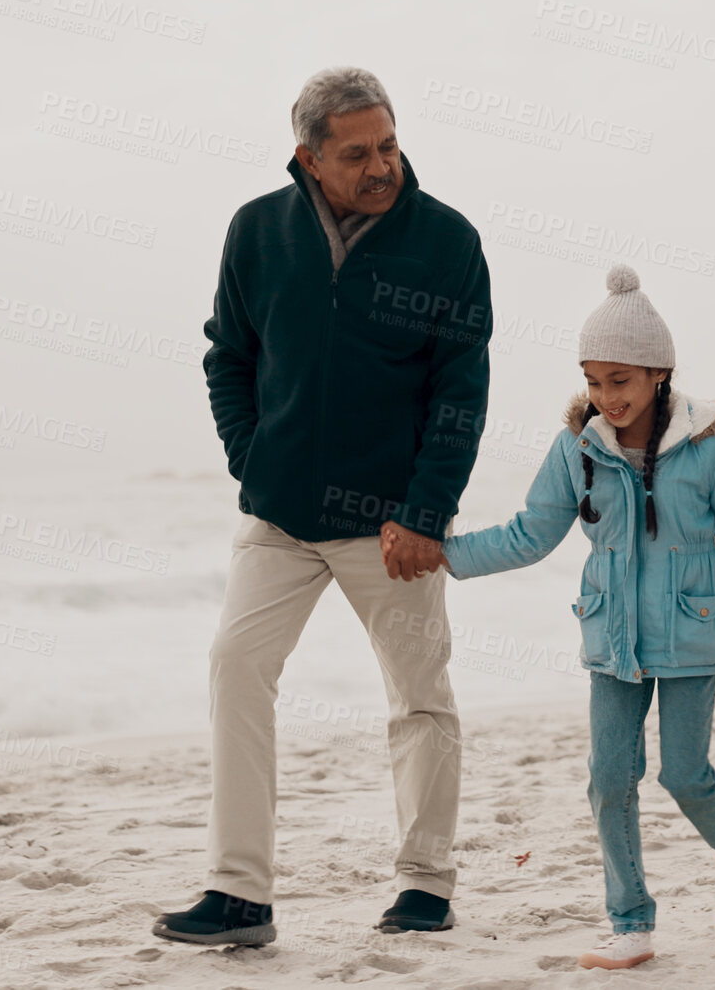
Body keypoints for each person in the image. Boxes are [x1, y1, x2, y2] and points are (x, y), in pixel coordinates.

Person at [154, 66, 493, 946]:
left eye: (388, 143)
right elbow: (227, 356)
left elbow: (461, 389)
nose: (381, 164)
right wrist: (252, 457)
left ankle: (425, 883)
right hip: (280, 513)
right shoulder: (257, 231)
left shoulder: (446, 240)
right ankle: (240, 893)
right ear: (306, 157)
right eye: (356, 153)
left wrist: (427, 510)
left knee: (419, 694)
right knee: (236, 665)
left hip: (393, 521)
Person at [437, 265, 715, 970]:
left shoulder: (707, 448)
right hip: (610, 638)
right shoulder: (576, 450)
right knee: (609, 777)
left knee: (683, 771)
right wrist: (446, 555)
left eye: (620, 379)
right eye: (593, 380)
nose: (605, 396)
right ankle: (630, 921)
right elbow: (529, 533)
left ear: (657, 375)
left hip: (691, 631)